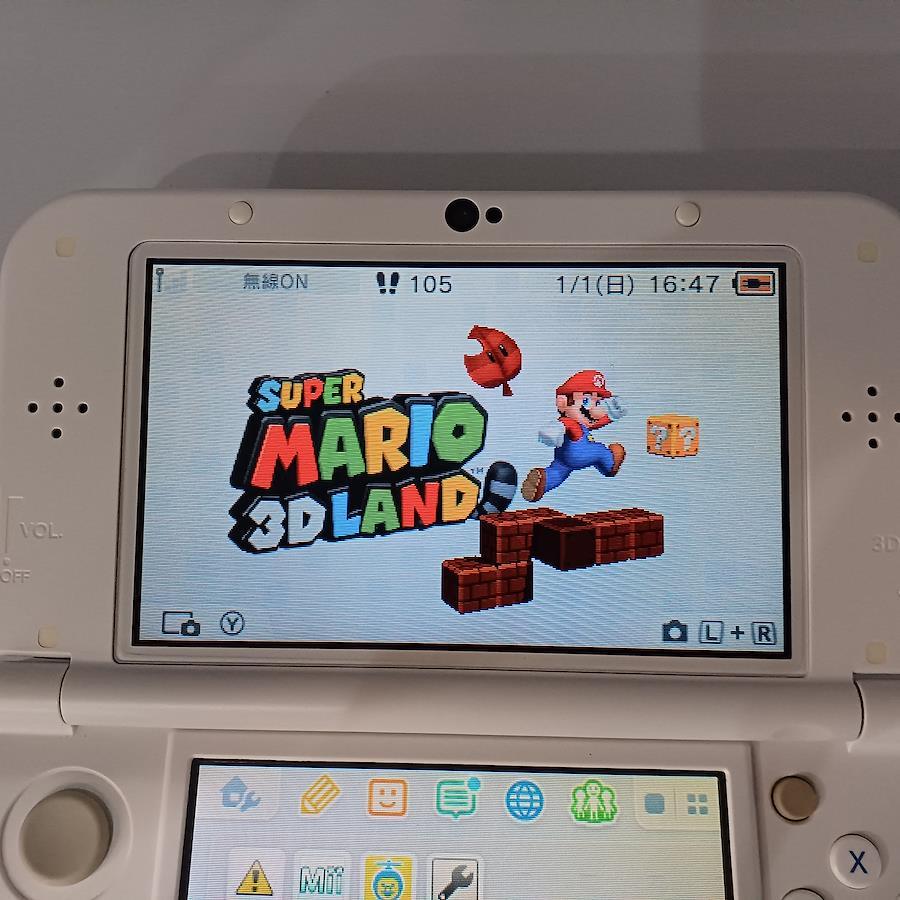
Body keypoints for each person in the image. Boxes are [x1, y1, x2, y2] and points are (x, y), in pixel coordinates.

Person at [521, 369, 627, 502]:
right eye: (586, 401)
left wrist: (612, 416)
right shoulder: (571, 422)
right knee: (599, 449)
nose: (594, 411)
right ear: (563, 403)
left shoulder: (581, 423)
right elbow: (562, 424)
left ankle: (544, 481)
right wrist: (552, 431)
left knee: (559, 472)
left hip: (563, 458)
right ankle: (610, 464)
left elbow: (595, 424)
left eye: (597, 403)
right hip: (580, 454)